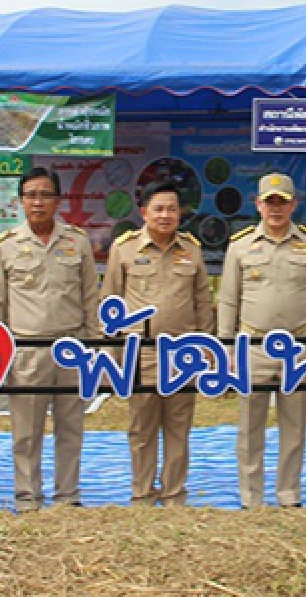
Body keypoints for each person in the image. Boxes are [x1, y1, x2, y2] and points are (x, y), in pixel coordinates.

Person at [218, 173, 306, 509]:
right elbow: (228, 300)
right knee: (250, 426)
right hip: (252, 347)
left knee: (294, 425)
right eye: (269, 202)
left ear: (293, 205)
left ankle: (288, 494)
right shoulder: (240, 246)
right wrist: (227, 348)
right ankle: (251, 496)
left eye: (282, 202)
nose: (275, 208)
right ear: (258, 204)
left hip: (298, 347)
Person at [0, 167, 98, 511]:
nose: (38, 202)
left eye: (45, 195)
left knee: (70, 428)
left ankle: (67, 497)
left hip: (71, 348)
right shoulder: (4, 247)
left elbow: (90, 297)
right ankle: (27, 497)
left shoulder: (77, 242)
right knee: (26, 431)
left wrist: (94, 349)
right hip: (26, 350)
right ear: (20, 201)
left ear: (58, 200)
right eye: (31, 195)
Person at [100, 180, 215, 507]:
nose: (165, 215)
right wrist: (113, 353)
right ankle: (142, 494)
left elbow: (202, 302)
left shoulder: (191, 250)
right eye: (159, 209)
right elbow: (110, 302)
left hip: (183, 353)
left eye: (172, 209)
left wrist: (206, 347)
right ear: (144, 213)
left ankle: (174, 494)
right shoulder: (124, 249)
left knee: (179, 428)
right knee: (142, 428)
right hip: (141, 354)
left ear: (180, 214)